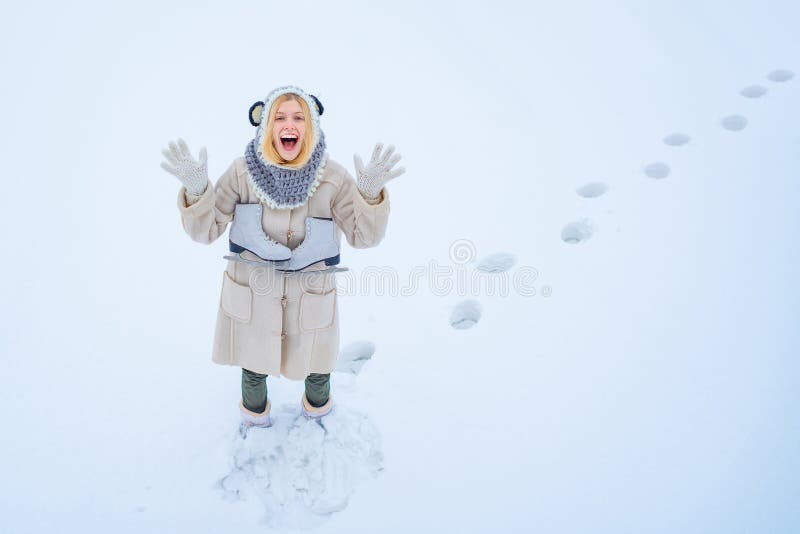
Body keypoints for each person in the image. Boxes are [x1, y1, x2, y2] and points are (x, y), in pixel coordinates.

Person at [160, 85, 404, 429]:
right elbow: (206, 231)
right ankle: (255, 421)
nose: (289, 124)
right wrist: (198, 191)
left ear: (311, 126)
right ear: (265, 126)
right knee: (253, 366)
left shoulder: (332, 179)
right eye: (280, 117)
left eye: (298, 117)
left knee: (318, 367)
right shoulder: (241, 174)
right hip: (253, 301)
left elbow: (364, 237)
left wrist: (369, 195)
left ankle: (319, 415)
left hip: (311, 301)